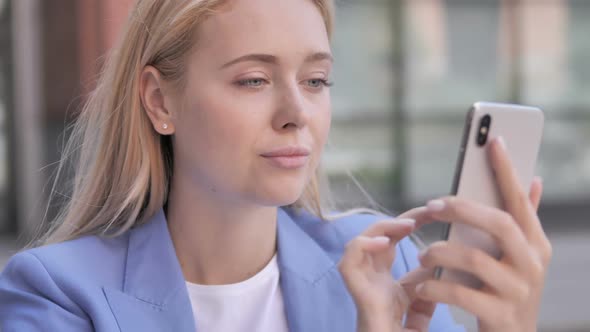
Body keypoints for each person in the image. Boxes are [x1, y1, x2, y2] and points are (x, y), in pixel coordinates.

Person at [0, 0, 552, 331]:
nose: (297, 115)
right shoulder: (56, 293)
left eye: (315, 81)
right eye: (254, 80)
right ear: (160, 101)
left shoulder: (388, 261)